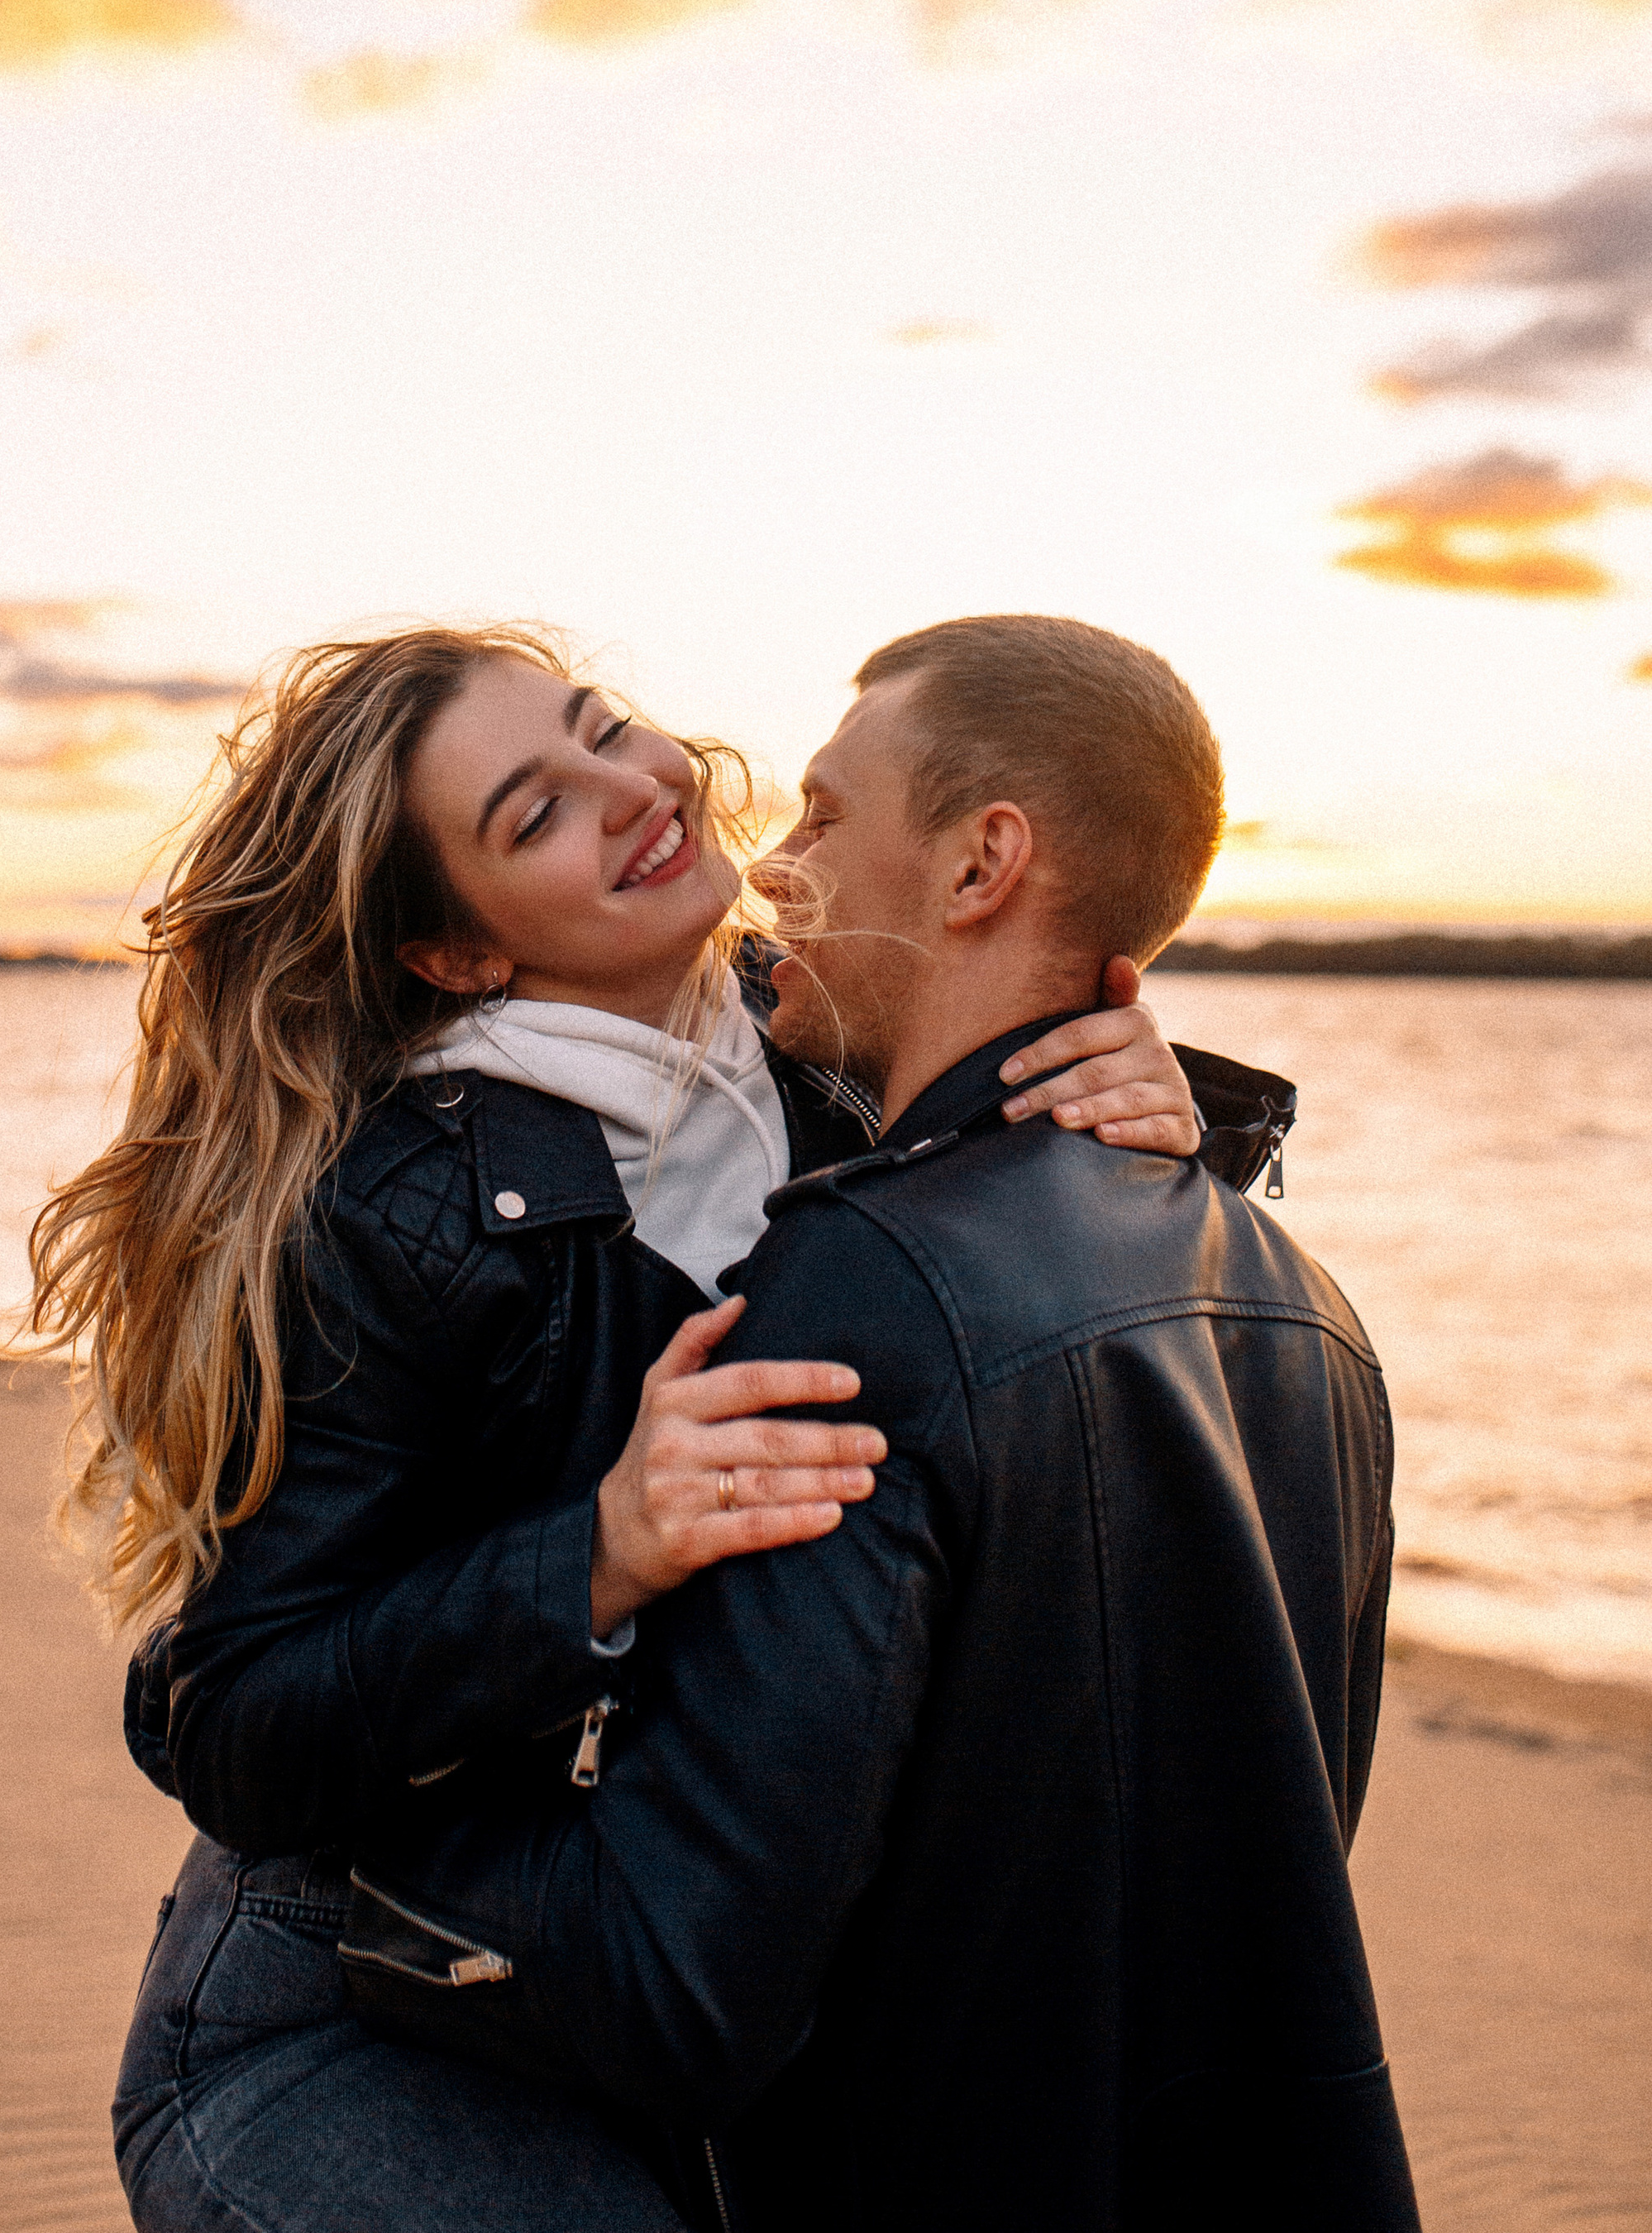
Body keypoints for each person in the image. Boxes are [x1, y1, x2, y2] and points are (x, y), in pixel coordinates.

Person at [27, 624, 1295, 2233]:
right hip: (361, 1993)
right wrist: (598, 1556)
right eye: (531, 813)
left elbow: (1024, 1348)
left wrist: (1146, 1132)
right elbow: (221, 1725)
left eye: (600, 726)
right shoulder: (393, 1213)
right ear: (457, 954)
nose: (631, 787)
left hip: (670, 1974)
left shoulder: (814, 1059)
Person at [337, 616, 1420, 2233]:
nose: (771, 868)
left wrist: (359, 1880)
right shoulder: (1305, 1307)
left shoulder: (861, 1285)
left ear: (982, 864)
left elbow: (679, 1989)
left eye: (826, 818)